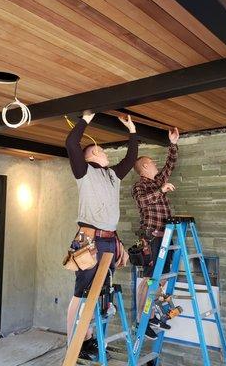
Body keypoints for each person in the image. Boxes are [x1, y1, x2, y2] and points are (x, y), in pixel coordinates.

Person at [65, 111, 138, 360]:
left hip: (109, 239)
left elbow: (131, 159)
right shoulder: (83, 171)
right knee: (82, 292)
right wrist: (86, 118)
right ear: (94, 152)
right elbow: (71, 143)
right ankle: (74, 343)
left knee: (101, 293)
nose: (107, 154)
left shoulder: (113, 175)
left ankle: (90, 339)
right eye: (103, 150)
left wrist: (132, 131)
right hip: (90, 240)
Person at [132, 127, 179, 339]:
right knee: (150, 279)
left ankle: (152, 315)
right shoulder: (139, 186)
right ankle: (141, 320)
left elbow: (169, 166)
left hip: (165, 237)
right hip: (151, 237)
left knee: (161, 278)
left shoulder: (157, 181)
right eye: (152, 163)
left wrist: (173, 144)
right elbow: (144, 201)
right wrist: (161, 190)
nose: (156, 165)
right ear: (144, 166)